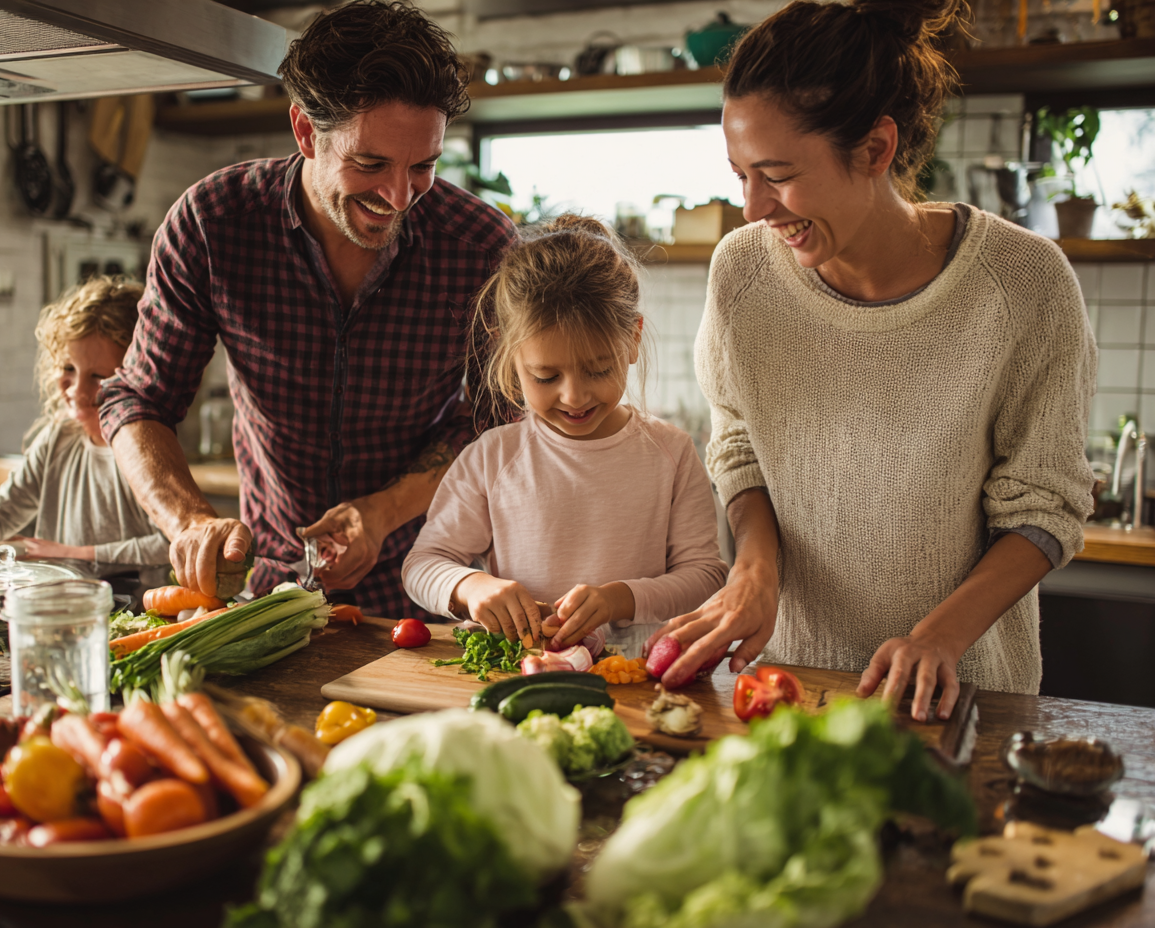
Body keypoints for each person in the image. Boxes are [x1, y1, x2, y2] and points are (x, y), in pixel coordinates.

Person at [650, 0, 1096, 720]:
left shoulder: (1022, 282)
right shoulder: (742, 273)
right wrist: (754, 570)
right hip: (789, 687)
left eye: (776, 174)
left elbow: (1047, 503)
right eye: (740, 175)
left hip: (958, 695)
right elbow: (740, 443)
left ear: (875, 148)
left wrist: (937, 639)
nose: (754, 207)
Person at [98, 1, 517, 614]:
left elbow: (497, 420)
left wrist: (383, 511)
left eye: (423, 166)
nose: (399, 195)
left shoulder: (480, 247)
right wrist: (188, 521)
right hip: (271, 583)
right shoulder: (214, 223)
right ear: (304, 132)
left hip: (427, 580)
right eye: (370, 164)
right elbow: (138, 399)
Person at [401, 215, 728, 657]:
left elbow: (705, 575)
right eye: (546, 376)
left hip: (634, 674)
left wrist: (619, 599)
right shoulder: (493, 456)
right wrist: (472, 586)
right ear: (508, 353)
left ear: (633, 339)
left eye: (598, 370)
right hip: (520, 670)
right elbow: (422, 565)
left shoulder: (671, 453)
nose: (574, 396)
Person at [0, 277, 170, 573]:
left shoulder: (146, 450)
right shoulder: (58, 437)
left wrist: (72, 554)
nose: (77, 390)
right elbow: (4, 510)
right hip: (63, 597)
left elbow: (170, 543)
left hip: (137, 603)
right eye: (68, 368)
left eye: (98, 376)